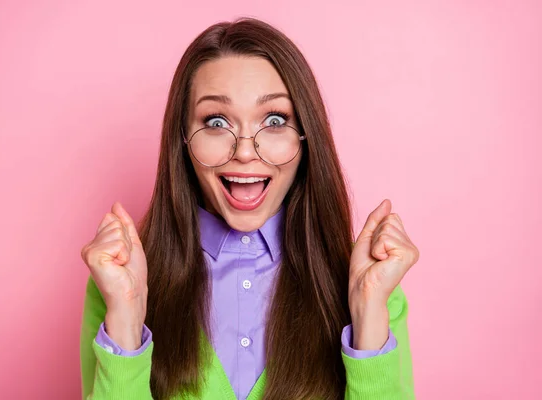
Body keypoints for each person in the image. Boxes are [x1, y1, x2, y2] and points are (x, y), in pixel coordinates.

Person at [79, 17, 419, 400]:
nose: (243, 151)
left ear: (306, 137)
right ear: (183, 140)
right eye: (216, 121)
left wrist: (368, 319)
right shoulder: (119, 283)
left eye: (275, 120)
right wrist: (126, 318)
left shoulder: (372, 287)